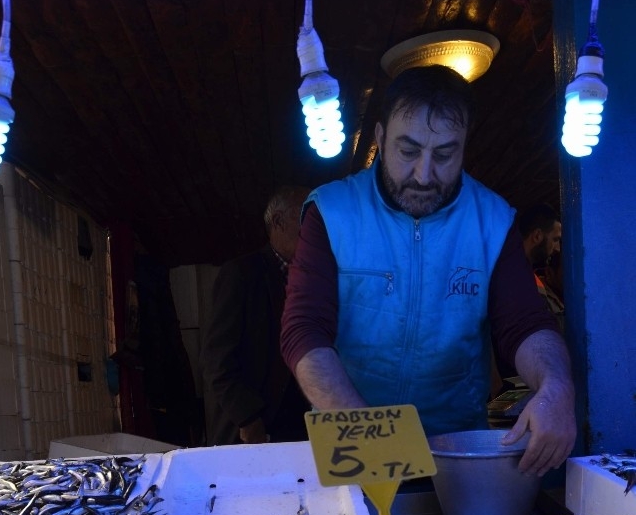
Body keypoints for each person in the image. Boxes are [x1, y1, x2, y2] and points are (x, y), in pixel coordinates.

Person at [280, 65, 576, 478]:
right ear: (381, 139)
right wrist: (371, 436)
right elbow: (303, 328)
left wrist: (557, 387)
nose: (423, 174)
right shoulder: (331, 211)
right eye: (408, 150)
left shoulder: (493, 219)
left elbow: (524, 323)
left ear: (464, 146)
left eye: (443, 154)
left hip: (454, 457)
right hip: (351, 447)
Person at [200, 185, 311, 445]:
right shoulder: (242, 274)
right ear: (279, 222)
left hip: (304, 426)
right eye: (306, 217)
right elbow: (216, 360)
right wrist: (248, 417)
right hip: (254, 428)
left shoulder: (314, 278)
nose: (316, 228)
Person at [518, 203, 565, 331]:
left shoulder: (525, 274)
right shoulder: (515, 279)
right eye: (555, 240)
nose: (557, 248)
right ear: (537, 236)